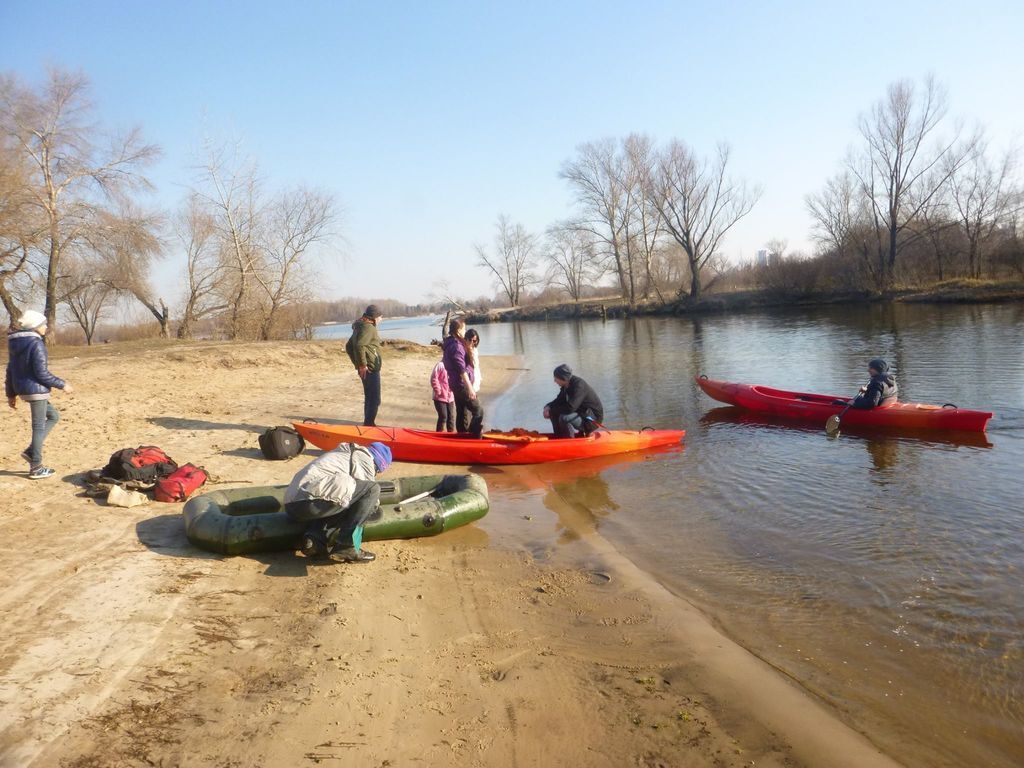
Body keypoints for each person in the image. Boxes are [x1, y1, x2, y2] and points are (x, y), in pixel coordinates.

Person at [284, 441, 392, 563]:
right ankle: (346, 546)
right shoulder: (364, 458)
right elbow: (367, 495)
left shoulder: (346, 453)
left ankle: (315, 540)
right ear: (378, 463)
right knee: (372, 489)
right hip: (307, 500)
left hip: (293, 503)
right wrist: (372, 509)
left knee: (345, 498)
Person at [6, 310, 74, 480]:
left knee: (53, 416)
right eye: (43, 324)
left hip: (24, 389)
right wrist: (62, 384)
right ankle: (36, 466)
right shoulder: (36, 343)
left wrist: (11, 394)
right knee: (38, 426)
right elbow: (42, 373)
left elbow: (10, 370)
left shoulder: (16, 343)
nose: (46, 326)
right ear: (35, 326)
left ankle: (31, 451)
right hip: (36, 391)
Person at [443, 318, 484, 437]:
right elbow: (461, 369)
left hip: (456, 384)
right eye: (464, 328)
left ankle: (462, 436)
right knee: (478, 411)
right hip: (461, 385)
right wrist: (470, 388)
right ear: (459, 330)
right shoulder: (456, 346)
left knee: (462, 412)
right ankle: (473, 434)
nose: (465, 331)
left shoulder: (451, 343)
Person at [345, 304, 383, 426]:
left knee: (370, 397)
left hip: (367, 368)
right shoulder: (368, 328)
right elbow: (359, 345)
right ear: (375, 317)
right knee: (375, 399)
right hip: (370, 369)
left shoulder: (360, 326)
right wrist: (362, 365)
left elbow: (349, 346)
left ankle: (368, 423)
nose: (381, 319)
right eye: (380, 317)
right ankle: (369, 425)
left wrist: (358, 364)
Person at [543, 364, 604, 438]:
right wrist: (548, 407)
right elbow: (559, 400)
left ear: (563, 378)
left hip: (592, 420)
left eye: (556, 378)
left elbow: (570, 408)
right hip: (582, 414)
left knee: (564, 417)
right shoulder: (566, 385)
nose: (554, 381)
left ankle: (569, 441)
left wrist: (552, 411)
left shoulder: (579, 386)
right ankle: (558, 438)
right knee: (554, 413)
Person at [430, 359, 455, 432]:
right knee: (443, 416)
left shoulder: (453, 366)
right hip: (439, 397)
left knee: (451, 417)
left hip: (450, 397)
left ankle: (450, 434)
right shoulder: (440, 365)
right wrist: (438, 390)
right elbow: (434, 378)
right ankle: (439, 433)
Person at [465, 328, 483, 395]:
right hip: (468, 383)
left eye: (474, 340)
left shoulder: (475, 350)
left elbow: (476, 366)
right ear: (466, 339)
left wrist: (479, 378)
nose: (472, 342)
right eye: (470, 340)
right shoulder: (463, 351)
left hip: (475, 381)